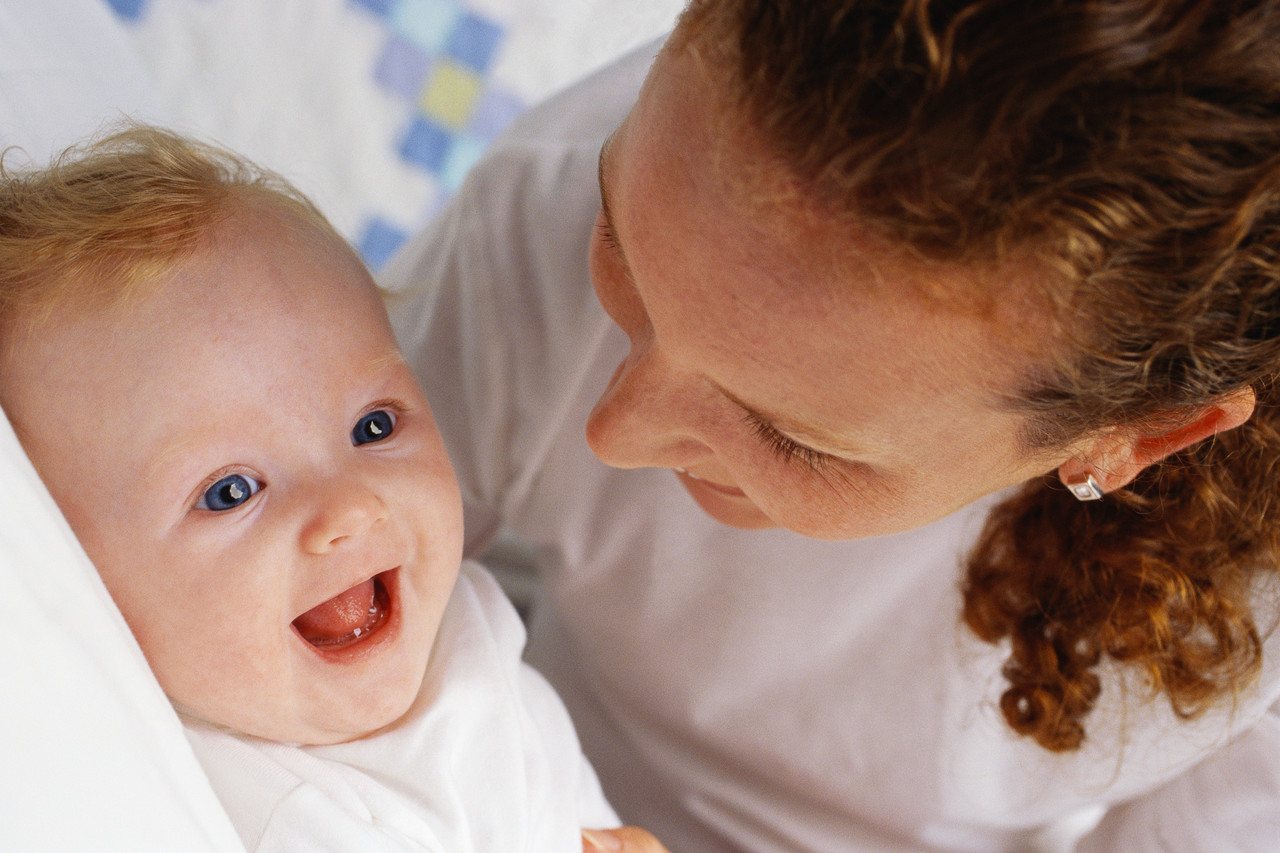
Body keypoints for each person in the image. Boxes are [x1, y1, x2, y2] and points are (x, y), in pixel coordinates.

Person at [382, 0, 1280, 850]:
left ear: (1136, 439)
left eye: (787, 435)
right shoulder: (570, 182)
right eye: (620, 248)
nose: (613, 434)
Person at [0, 126, 665, 853]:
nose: (348, 507)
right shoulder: (256, 806)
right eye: (230, 491)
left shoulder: (471, 637)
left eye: (374, 425)